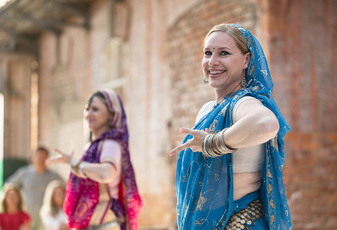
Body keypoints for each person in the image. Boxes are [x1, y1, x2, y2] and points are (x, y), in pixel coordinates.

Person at [169, 24, 292, 229]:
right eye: (207, 53)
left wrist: (213, 142)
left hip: (240, 222)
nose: (212, 62)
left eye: (224, 53)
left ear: (246, 60)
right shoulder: (209, 109)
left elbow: (268, 123)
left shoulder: (243, 102)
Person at [47, 88, 142, 230]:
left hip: (106, 223)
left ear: (111, 115)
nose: (88, 114)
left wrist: (75, 164)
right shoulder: (93, 147)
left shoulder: (110, 144)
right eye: (87, 109)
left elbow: (107, 173)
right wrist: (72, 163)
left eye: (95, 109)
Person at [6, 146, 63, 230]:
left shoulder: (53, 176)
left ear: (47, 158)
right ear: (33, 157)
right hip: (27, 215)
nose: (40, 159)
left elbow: (66, 187)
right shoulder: (24, 173)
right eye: (38, 156)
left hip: (46, 216)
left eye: (43, 156)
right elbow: (9, 185)